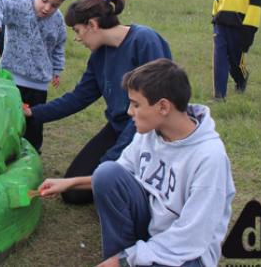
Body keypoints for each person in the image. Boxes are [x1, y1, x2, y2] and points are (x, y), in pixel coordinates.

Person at [39, 59, 235, 267]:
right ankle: (122, 256)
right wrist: (69, 183)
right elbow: (120, 173)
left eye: (136, 104)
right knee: (107, 173)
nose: (129, 112)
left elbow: (190, 238)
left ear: (163, 107)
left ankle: (124, 260)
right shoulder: (150, 132)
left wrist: (124, 260)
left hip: (187, 253)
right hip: (152, 230)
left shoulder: (209, 158)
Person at [24, 0, 172, 204]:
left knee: (105, 179)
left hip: (150, 132)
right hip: (119, 126)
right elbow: (78, 97)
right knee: (73, 193)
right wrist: (34, 113)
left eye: (77, 31)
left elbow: (153, 106)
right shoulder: (99, 56)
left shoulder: (144, 41)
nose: (77, 38)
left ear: (92, 24)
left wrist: (111, 161)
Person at [0, 0, 70, 151]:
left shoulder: (58, 20)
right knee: (8, 120)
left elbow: (58, 46)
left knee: (34, 124)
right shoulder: (20, 6)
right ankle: (4, 151)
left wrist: (56, 69)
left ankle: (31, 155)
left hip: (39, 84)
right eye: (44, 1)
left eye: (54, 5)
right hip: (12, 80)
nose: (47, 8)